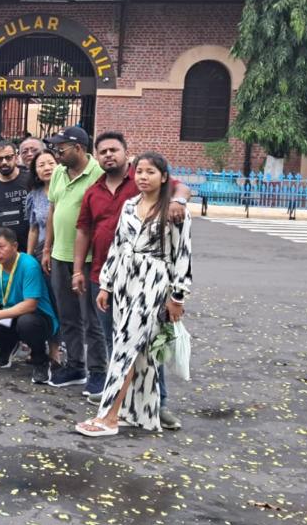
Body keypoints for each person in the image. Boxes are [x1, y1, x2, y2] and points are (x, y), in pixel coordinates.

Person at [72, 131, 192, 417]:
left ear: (127, 153)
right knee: (115, 343)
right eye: (103, 152)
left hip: (148, 283)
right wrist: (81, 271)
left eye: (114, 149)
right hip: (108, 276)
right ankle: (120, 399)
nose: (108, 155)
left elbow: (181, 189)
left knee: (148, 344)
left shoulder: (147, 188)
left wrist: (180, 202)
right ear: (96, 157)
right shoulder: (95, 191)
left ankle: (158, 403)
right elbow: (85, 231)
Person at [41, 126, 106, 389]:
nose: (57, 153)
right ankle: (76, 366)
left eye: (61, 148)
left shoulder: (98, 174)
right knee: (68, 315)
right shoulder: (58, 172)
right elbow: (53, 209)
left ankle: (99, 370)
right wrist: (47, 248)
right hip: (59, 256)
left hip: (89, 259)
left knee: (93, 318)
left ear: (78, 148)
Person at [0, 227, 60, 385]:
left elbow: (30, 305)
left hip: (38, 317)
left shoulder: (29, 264)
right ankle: (8, 346)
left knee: (26, 322)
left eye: (1, 246)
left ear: (14, 246)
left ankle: (40, 360)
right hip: (9, 315)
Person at [26, 150, 57, 257]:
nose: (47, 168)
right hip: (43, 252)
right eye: (41, 165)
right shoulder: (34, 196)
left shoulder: (68, 190)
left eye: (51, 163)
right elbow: (34, 229)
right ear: (36, 171)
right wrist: (29, 257)